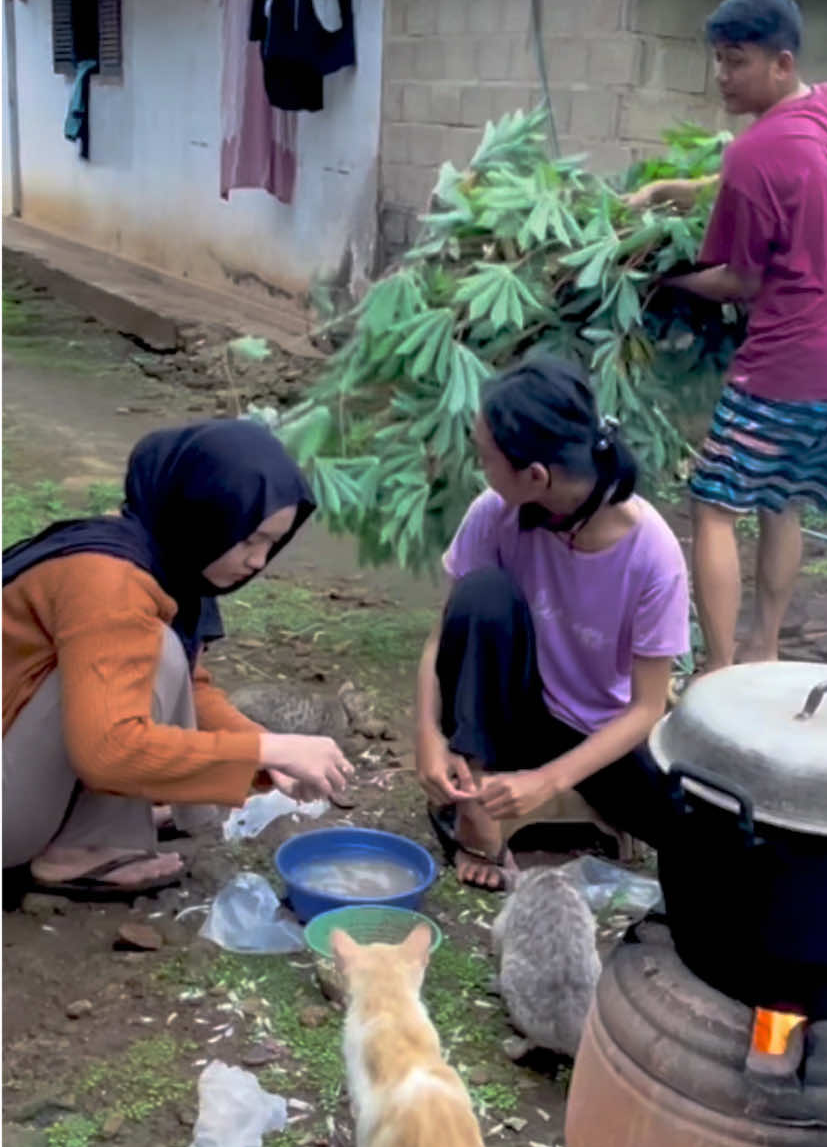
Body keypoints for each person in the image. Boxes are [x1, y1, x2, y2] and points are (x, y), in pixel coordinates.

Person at [629, 0, 827, 672]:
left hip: (787, 372)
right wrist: (667, 191)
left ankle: (718, 670)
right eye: (718, 60)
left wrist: (658, 280)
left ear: (781, 62)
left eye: (736, 61)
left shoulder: (754, 154)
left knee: (713, 504)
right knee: (782, 499)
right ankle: (763, 647)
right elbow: (775, 178)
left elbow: (740, 282)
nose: (722, 76)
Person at [2, 419, 353, 898]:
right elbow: (109, 752)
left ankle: (97, 829)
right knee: (157, 653)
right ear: (203, 514)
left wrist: (268, 748)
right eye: (248, 539)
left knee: (160, 658)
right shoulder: (109, 580)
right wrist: (268, 752)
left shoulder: (161, 564)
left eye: (271, 544)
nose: (257, 561)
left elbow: (189, 688)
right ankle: (86, 846)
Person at [414, 357, 690, 890]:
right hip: (508, 716)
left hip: (595, 732)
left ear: (536, 476)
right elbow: (440, 639)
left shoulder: (652, 554)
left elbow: (647, 709)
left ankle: (506, 798)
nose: (483, 473)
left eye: (486, 460)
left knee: (695, 831)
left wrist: (549, 781)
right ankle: (476, 807)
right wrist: (428, 736)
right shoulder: (494, 514)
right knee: (481, 595)